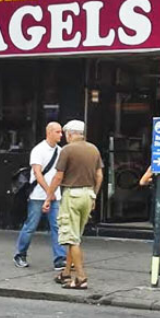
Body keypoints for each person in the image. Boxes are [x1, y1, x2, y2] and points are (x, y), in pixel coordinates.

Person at [43, 120, 104, 291]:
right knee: (75, 236)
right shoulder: (94, 149)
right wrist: (94, 196)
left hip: (72, 194)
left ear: (70, 134)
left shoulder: (67, 150)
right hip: (88, 194)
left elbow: (58, 177)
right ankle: (66, 273)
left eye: (66, 134)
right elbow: (99, 175)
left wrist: (49, 197)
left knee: (71, 238)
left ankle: (81, 278)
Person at [13, 122, 66, 271]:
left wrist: (51, 193)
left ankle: (60, 259)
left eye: (61, 132)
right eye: (57, 132)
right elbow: (37, 173)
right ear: (49, 132)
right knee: (31, 226)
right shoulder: (38, 150)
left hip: (54, 195)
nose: (60, 135)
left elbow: (59, 174)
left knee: (57, 227)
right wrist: (50, 192)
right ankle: (20, 254)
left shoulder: (60, 151)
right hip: (38, 195)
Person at [139, 165, 160, 275]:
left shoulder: (156, 166)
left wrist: (154, 180)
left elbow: (143, 181)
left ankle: (159, 264)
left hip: (158, 201)